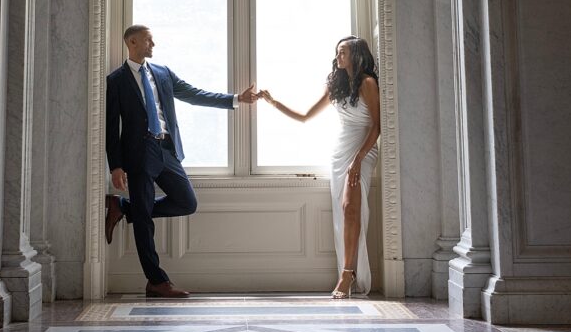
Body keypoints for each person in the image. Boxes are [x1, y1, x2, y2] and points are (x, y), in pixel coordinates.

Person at [105, 24, 258, 298]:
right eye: (148, 40)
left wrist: (236, 99)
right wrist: (115, 165)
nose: (154, 45)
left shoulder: (162, 73)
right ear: (132, 42)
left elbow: (194, 94)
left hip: (166, 149)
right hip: (138, 154)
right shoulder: (116, 80)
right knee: (144, 222)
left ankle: (123, 207)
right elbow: (110, 126)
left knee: (187, 202)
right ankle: (156, 281)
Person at [259, 36, 380, 298]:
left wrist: (358, 159)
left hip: (363, 150)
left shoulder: (369, 84)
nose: (338, 57)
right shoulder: (335, 85)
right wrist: (273, 102)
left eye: (343, 52)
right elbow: (304, 117)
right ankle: (348, 271)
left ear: (357, 55)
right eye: (337, 53)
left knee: (351, 208)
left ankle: (347, 276)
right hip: (340, 152)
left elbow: (377, 126)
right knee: (344, 211)